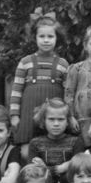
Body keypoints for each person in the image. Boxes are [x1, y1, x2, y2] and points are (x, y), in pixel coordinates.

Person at [9, 12, 69, 153]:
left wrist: (69, 116)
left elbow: (68, 93)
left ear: (57, 38)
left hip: (54, 116)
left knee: (53, 150)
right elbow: (16, 91)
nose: (46, 40)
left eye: (50, 36)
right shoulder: (25, 62)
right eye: (42, 36)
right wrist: (14, 115)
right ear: (35, 38)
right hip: (28, 115)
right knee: (26, 151)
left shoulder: (63, 64)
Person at [27, 98, 84, 183]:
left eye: (61, 119)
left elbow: (77, 171)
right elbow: (33, 174)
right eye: (51, 119)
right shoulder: (35, 143)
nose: (56, 124)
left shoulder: (76, 142)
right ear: (43, 120)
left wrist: (45, 168)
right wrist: (60, 168)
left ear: (68, 121)